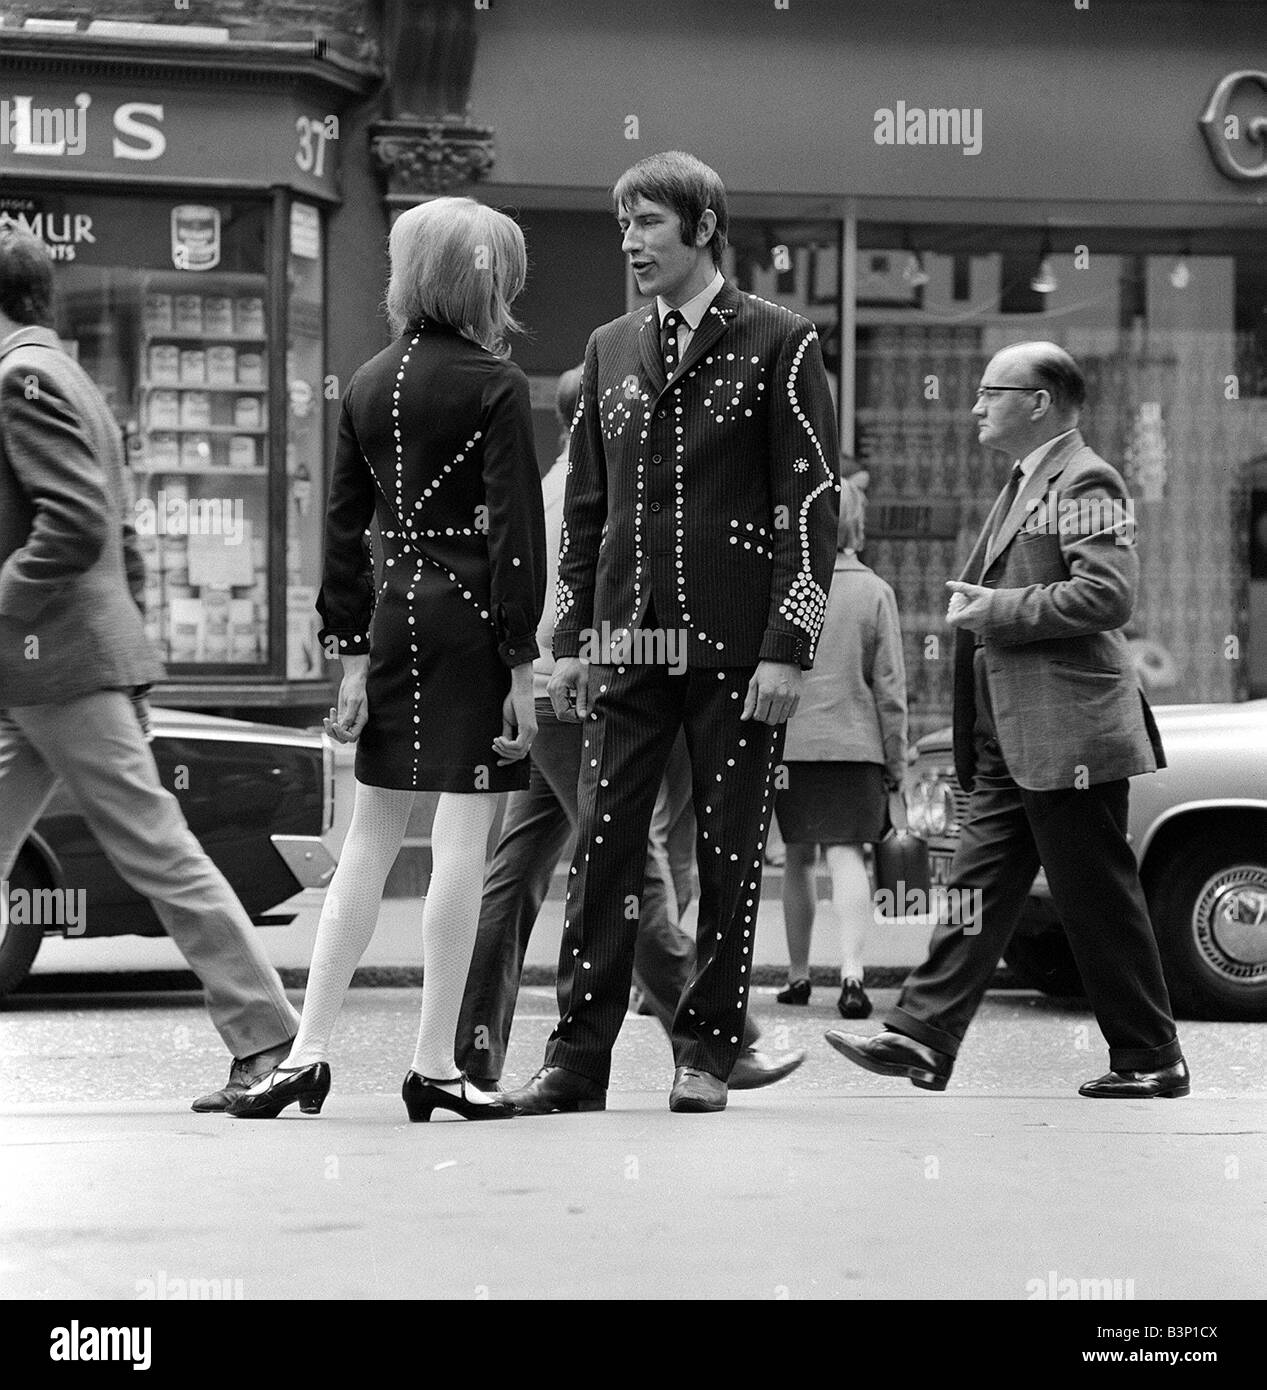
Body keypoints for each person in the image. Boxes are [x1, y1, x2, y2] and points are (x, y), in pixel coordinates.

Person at [506, 151, 838, 1117]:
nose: (628, 242)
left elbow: (808, 506)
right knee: (603, 851)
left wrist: (789, 643)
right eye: (621, 224)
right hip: (627, 645)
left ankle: (704, 1056)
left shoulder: (781, 342)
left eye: (646, 223)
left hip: (737, 650)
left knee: (730, 854)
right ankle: (576, 1062)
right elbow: (587, 514)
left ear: (701, 227)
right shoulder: (609, 346)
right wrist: (568, 638)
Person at [230, 197, 545, 1122]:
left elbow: (338, 531)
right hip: (476, 631)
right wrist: (523, 664)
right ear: (482, 277)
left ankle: (307, 1052)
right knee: (460, 842)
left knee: (366, 839)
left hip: (395, 621)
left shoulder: (364, 382)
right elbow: (515, 535)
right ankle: (434, 1065)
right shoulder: (495, 384)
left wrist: (351, 658)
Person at [826, 342, 1189, 1100]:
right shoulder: (1024, 482)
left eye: (992, 392)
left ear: (1040, 401)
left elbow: (1108, 595)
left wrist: (1001, 611)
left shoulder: (1086, 476)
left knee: (1096, 901)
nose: (976, 406)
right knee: (976, 887)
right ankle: (921, 1038)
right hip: (1011, 738)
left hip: (1067, 737)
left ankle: (1151, 1057)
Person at [0, 223, 301, 1113]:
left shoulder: (22, 379)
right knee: (153, 846)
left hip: (57, 668)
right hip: (57, 669)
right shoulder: (67, 374)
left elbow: (77, 524)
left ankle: (270, 1038)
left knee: (157, 850)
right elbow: (119, 531)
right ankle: (268, 1036)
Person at [455, 367, 804, 1092]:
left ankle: (471, 1050)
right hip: (578, 696)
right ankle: (724, 1040)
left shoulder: (543, 492)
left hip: (544, 692)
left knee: (516, 872)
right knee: (628, 860)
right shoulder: (594, 498)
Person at [775, 472, 907, 1019]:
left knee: (798, 860)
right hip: (856, 747)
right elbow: (891, 689)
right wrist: (896, 764)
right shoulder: (875, 592)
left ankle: (798, 976)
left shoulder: (787, 589)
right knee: (848, 855)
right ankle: (852, 977)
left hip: (792, 747)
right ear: (856, 524)